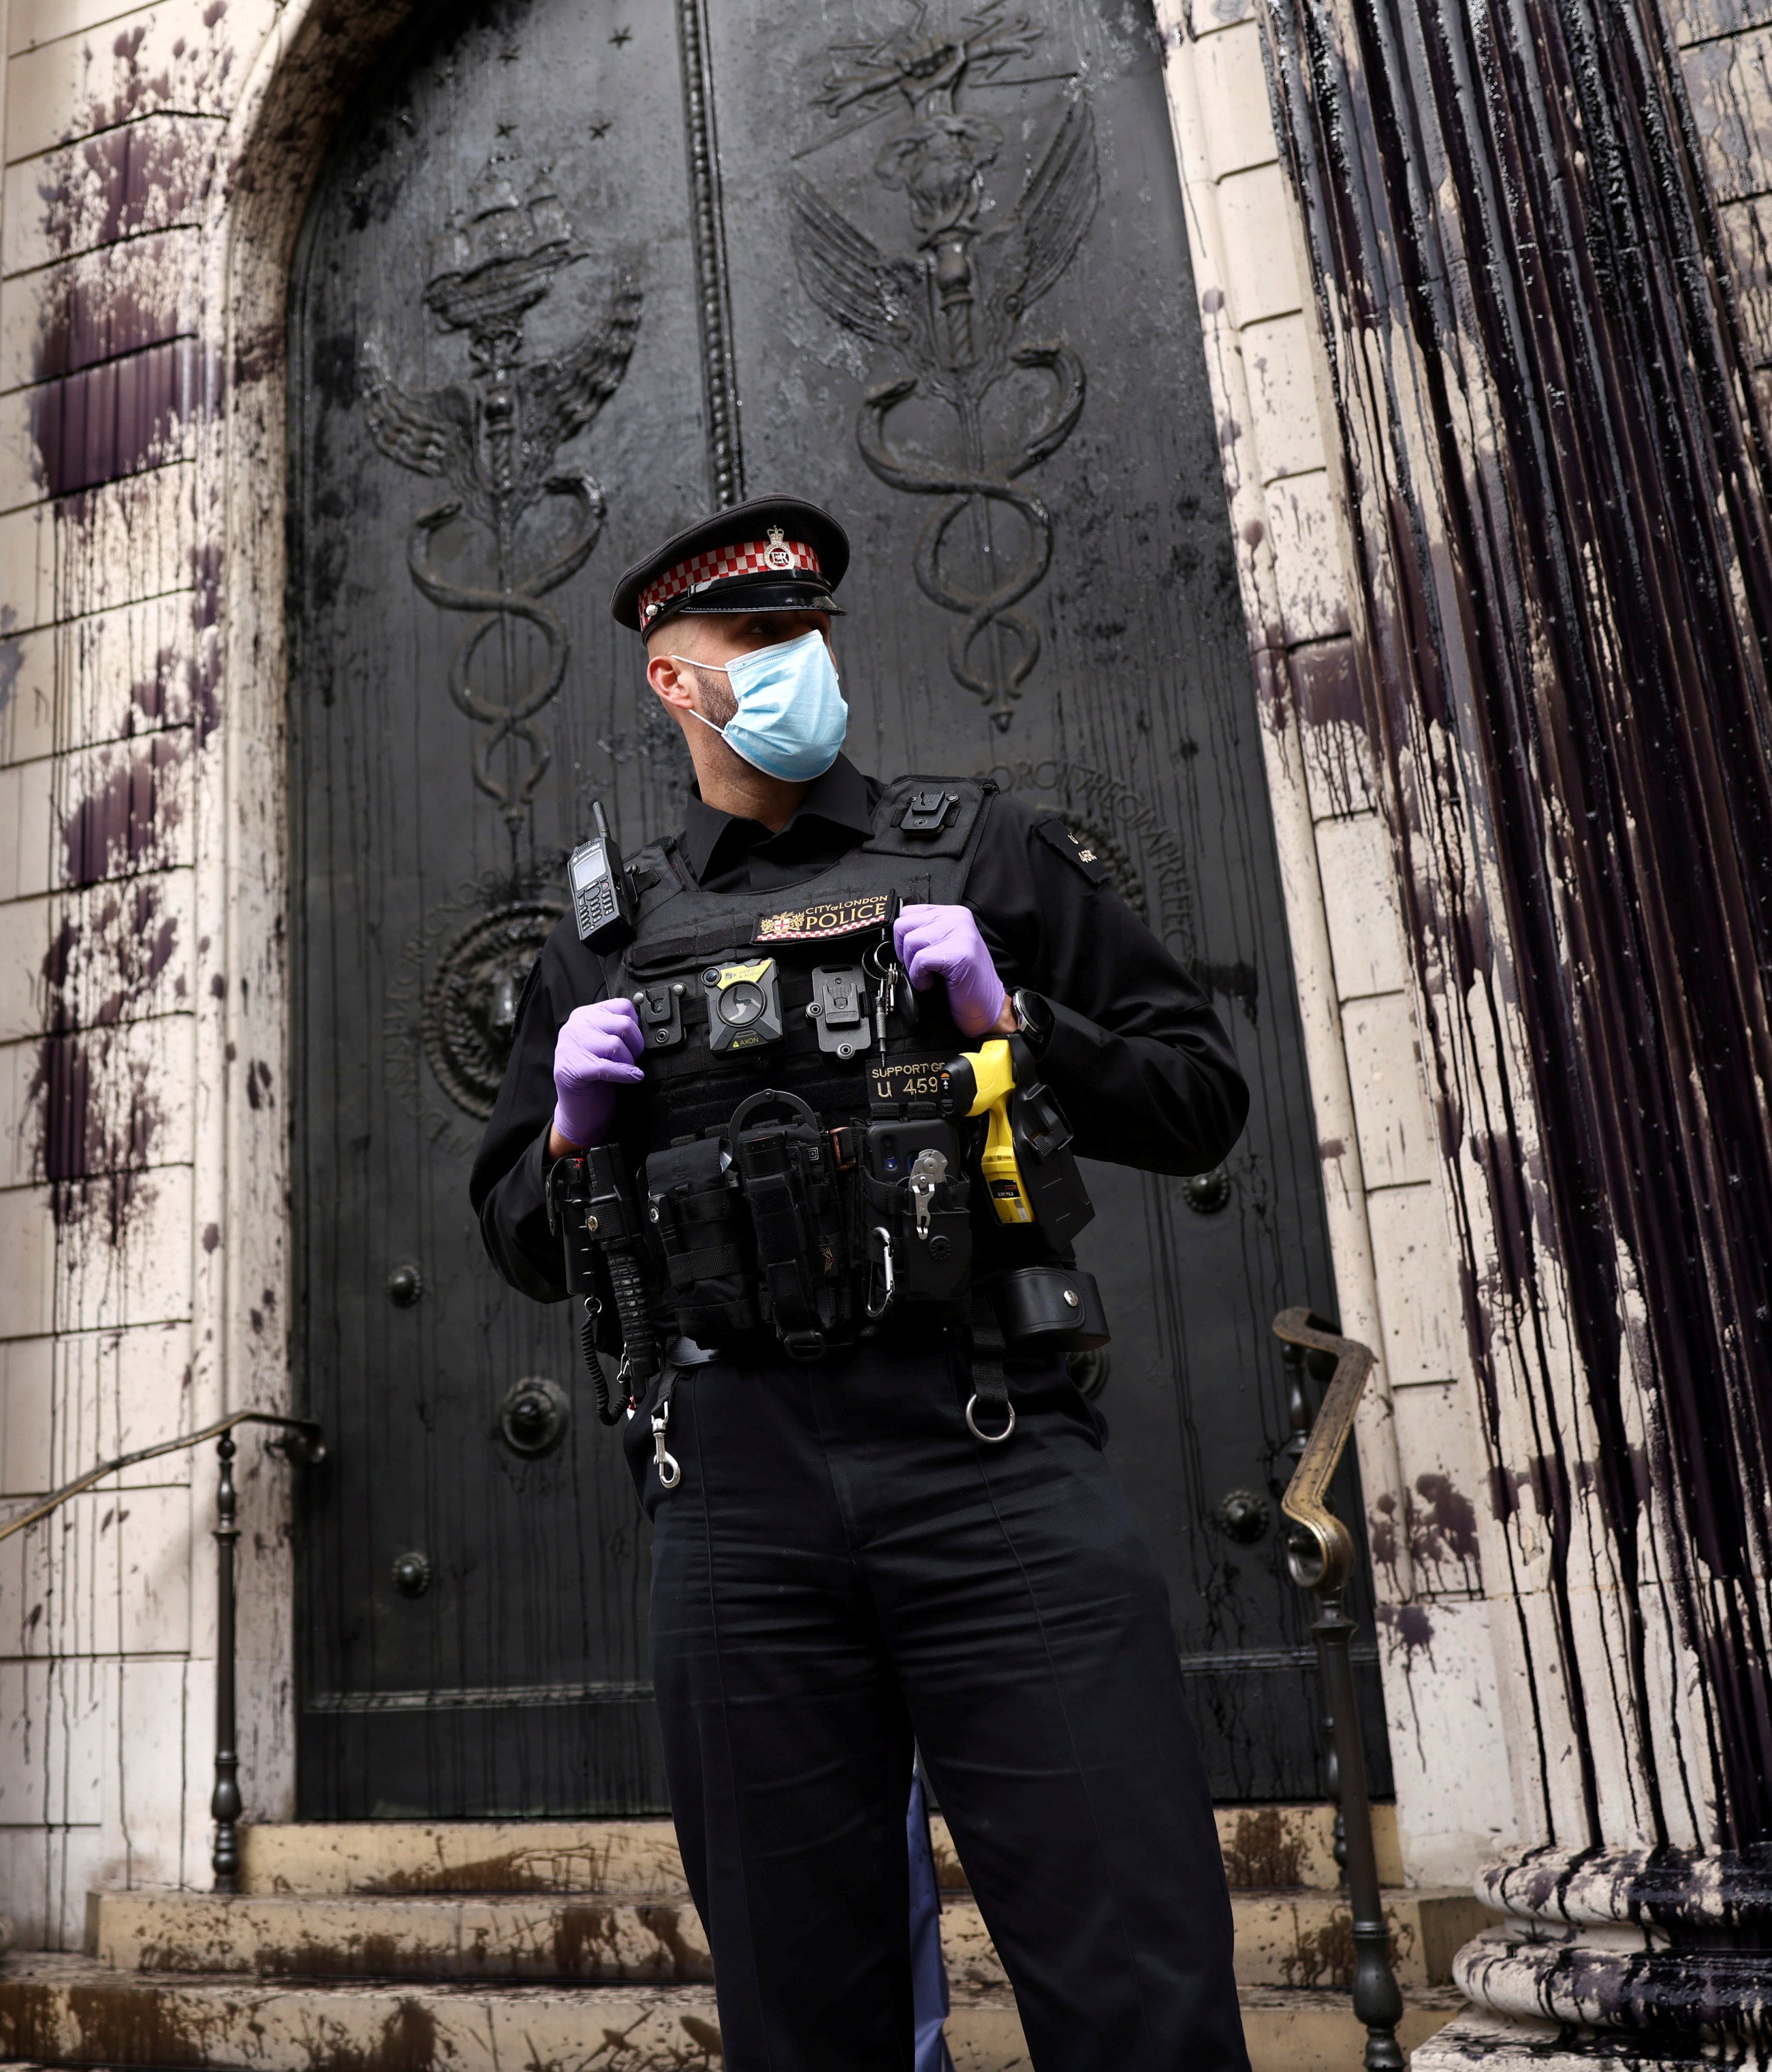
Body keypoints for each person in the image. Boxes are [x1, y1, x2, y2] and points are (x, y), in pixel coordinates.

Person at [470, 495, 1254, 2072]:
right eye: (748, 642)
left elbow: (1197, 1097)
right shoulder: (597, 935)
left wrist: (1016, 1016)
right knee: (801, 2004)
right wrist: (561, 1126)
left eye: (804, 633)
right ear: (668, 683)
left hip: (986, 1459)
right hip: (732, 1498)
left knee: (1134, 1971)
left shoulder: (982, 850)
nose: (788, 664)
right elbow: (518, 1236)